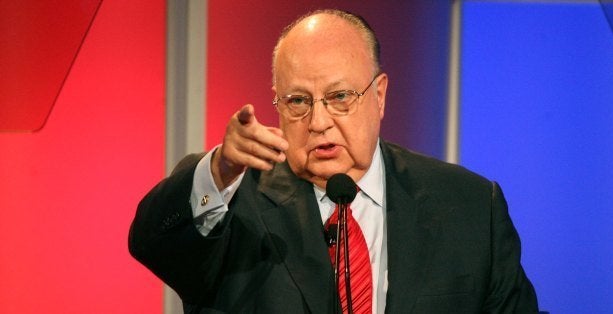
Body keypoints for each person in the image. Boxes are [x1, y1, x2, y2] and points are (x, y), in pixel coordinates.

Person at [129, 9, 538, 313]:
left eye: (340, 96)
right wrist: (220, 170)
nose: (319, 122)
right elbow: (152, 243)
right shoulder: (236, 198)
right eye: (298, 102)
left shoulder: (469, 205)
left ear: (379, 96)